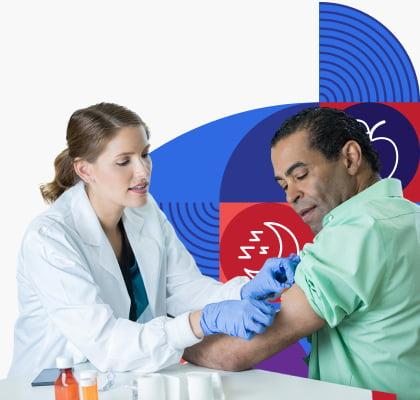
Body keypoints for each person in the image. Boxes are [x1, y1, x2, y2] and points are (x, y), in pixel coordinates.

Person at [8, 103, 298, 378]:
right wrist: (201, 322)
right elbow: (105, 342)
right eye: (124, 161)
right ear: (85, 170)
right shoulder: (49, 239)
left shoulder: (143, 210)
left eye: (144, 154)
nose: (142, 171)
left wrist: (248, 290)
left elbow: (184, 289)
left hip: (118, 380)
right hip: (50, 385)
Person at [183, 107, 420, 400]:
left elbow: (233, 354)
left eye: (301, 175)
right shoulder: (409, 216)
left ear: (350, 158)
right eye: (284, 184)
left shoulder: (356, 232)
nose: (290, 195)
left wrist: (173, 339)